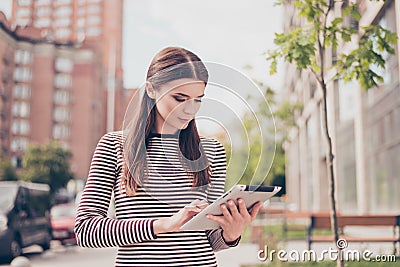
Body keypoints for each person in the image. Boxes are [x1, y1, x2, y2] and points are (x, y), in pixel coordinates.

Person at [74, 47, 263, 267]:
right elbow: (85, 230)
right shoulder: (114, 146)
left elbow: (210, 240)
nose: (189, 110)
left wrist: (232, 232)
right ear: (151, 90)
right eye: (179, 98)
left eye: (197, 100)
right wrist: (163, 225)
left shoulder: (212, 151)